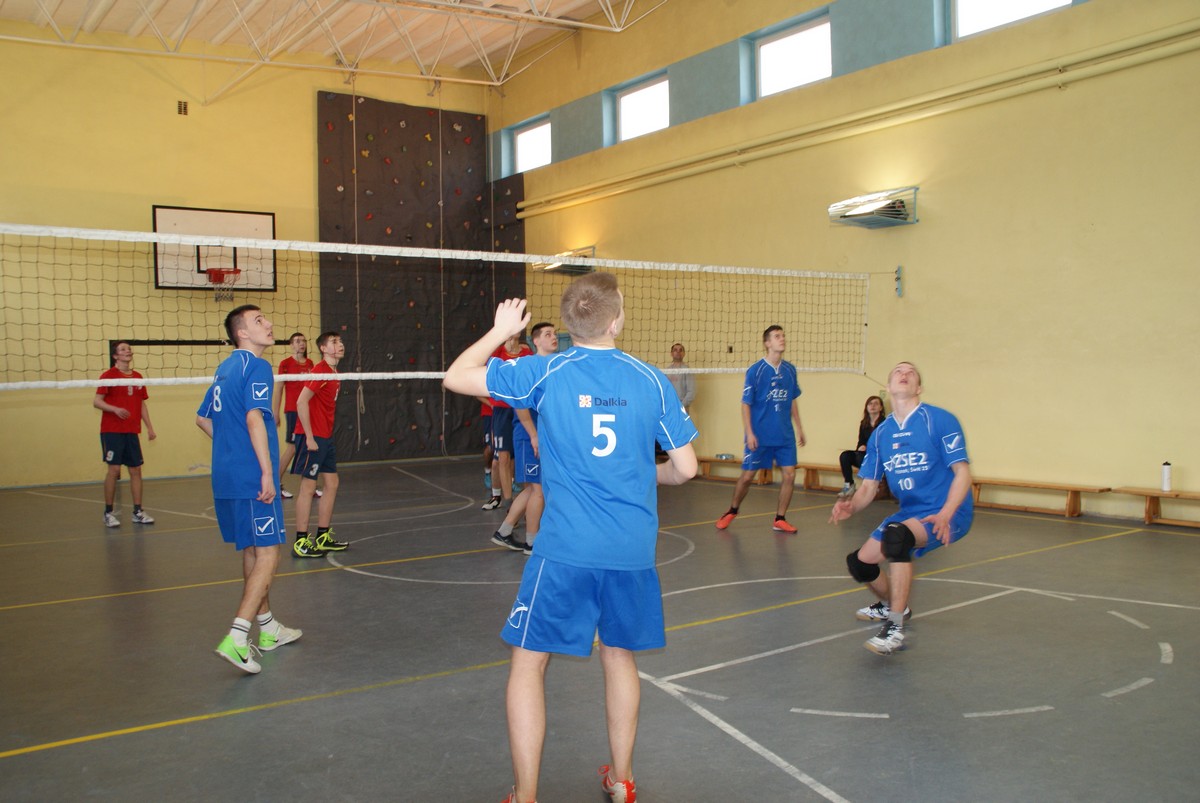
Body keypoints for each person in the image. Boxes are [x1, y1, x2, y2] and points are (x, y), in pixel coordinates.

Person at [443, 273, 698, 803]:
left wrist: (500, 332)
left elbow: (456, 376)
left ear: (567, 324)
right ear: (616, 319)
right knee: (619, 657)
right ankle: (622, 780)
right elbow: (687, 469)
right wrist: (643, 472)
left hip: (566, 550)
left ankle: (526, 795)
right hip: (630, 550)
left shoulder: (544, 370)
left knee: (528, 662)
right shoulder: (651, 380)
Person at [829, 362, 973, 656]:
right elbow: (869, 487)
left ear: (919, 387)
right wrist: (851, 506)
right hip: (910, 513)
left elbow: (962, 473)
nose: (904, 374)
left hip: (947, 510)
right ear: (888, 386)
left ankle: (894, 628)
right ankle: (894, 606)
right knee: (860, 563)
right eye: (898, 371)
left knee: (897, 537)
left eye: (911, 373)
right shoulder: (881, 434)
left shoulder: (939, 420)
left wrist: (946, 513)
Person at [197, 305, 302, 674]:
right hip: (251, 476)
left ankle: (268, 629)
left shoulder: (224, 369)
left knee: (253, 549)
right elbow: (255, 417)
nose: (268, 323)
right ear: (241, 332)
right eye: (259, 320)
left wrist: (232, 448)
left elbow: (202, 419)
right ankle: (237, 637)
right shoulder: (257, 367)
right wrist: (268, 473)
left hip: (226, 476)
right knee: (270, 553)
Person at [714, 325, 806, 534]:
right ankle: (732, 510)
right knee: (748, 477)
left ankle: (780, 518)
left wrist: (799, 428)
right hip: (760, 435)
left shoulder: (790, 370)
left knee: (790, 475)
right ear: (767, 343)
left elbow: (792, 399)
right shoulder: (756, 370)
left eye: (783, 335)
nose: (782, 339)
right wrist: (750, 432)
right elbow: (745, 404)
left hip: (785, 435)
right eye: (777, 336)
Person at [490, 321, 558, 553]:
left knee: (533, 488)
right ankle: (532, 542)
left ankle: (504, 531)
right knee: (538, 490)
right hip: (530, 437)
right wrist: (534, 435)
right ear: (535, 341)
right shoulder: (529, 365)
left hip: (543, 437)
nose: (553, 337)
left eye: (554, 333)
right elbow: (519, 404)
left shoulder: (556, 366)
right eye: (547, 334)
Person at [291, 331, 349, 558]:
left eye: (340, 341)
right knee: (308, 487)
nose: (340, 344)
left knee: (332, 483)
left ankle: (322, 537)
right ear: (323, 348)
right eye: (334, 342)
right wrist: (309, 437)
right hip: (313, 437)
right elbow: (301, 402)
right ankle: (301, 542)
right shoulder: (320, 371)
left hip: (325, 436)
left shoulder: (334, 373)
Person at [93, 340, 156, 528]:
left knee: (136, 470)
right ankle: (108, 512)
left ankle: (138, 511)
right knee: (113, 470)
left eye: (129, 348)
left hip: (131, 430)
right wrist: (115, 409)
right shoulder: (108, 376)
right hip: (112, 430)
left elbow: (142, 404)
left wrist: (149, 427)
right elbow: (97, 401)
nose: (127, 351)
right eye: (123, 349)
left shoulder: (137, 377)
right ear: (115, 355)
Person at [480, 332, 533, 511]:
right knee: (501, 457)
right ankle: (506, 502)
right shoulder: (497, 353)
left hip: (522, 408)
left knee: (520, 456)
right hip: (502, 410)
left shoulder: (527, 354)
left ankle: (527, 500)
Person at [273, 332, 314, 500]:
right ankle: (275, 483)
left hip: (309, 411)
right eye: (297, 341)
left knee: (310, 446)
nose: (301, 344)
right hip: (293, 411)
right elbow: (278, 389)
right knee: (293, 447)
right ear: (291, 345)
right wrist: (275, 412)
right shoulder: (285, 364)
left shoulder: (310, 363)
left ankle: (310, 485)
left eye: (303, 341)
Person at [838, 395, 886, 496]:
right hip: (865, 455)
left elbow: (885, 442)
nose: (873, 406)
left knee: (862, 458)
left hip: (879, 456)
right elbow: (861, 441)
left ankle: (871, 485)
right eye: (870, 404)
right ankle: (849, 485)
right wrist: (861, 446)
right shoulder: (864, 423)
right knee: (845, 456)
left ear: (881, 408)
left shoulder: (885, 423)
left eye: (876, 404)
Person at [666, 342, 696, 412]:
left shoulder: (687, 370)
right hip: (669, 407)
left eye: (680, 350)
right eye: (675, 350)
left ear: (684, 354)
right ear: (671, 353)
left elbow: (691, 392)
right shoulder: (667, 371)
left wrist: (681, 406)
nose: (678, 352)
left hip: (682, 408)